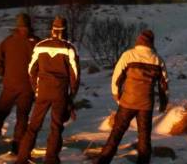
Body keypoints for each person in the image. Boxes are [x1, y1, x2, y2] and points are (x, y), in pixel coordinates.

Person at [95, 29, 169, 164]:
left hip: (127, 102)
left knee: (116, 134)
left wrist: (117, 95)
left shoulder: (128, 55)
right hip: (146, 104)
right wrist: (164, 103)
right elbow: (164, 84)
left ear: (138, 41)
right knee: (144, 138)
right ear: (151, 43)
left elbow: (116, 77)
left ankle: (103, 161)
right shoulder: (158, 59)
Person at [15, 16, 80, 164]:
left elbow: (31, 70)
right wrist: (71, 96)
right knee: (56, 127)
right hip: (60, 93)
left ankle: (22, 158)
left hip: (43, 91)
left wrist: (36, 88)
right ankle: (51, 159)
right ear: (65, 31)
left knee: (33, 126)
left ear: (52, 30)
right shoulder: (69, 48)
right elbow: (75, 75)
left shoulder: (40, 46)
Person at [0, 13, 39, 158]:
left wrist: (5, 74)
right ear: (29, 25)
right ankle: (18, 146)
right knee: (22, 117)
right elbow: (43, 65)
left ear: (17, 26)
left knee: (0, 114)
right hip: (27, 87)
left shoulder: (8, 41)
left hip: (10, 85)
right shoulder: (37, 43)